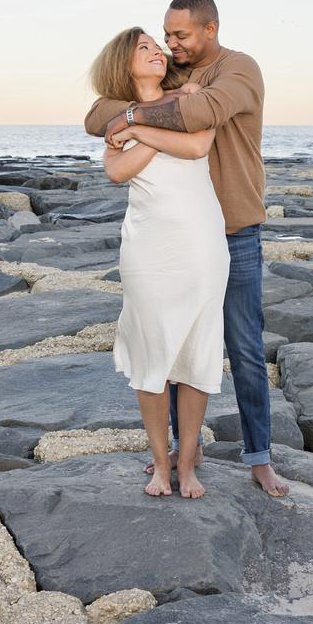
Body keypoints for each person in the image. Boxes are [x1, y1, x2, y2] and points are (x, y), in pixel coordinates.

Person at [86, 0, 290, 497]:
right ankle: (182, 452)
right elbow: (96, 115)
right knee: (177, 346)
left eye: (179, 35)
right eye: (164, 36)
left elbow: (201, 118)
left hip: (233, 229)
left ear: (209, 29)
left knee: (244, 347)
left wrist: (133, 119)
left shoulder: (238, 69)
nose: (170, 44)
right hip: (173, 237)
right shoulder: (175, 77)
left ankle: (260, 458)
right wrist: (137, 110)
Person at [93, 26, 226, 498]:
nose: (156, 51)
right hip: (148, 249)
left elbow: (198, 146)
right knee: (152, 355)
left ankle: (187, 464)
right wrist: (140, 129)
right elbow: (117, 169)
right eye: (143, 48)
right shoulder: (120, 114)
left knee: (196, 353)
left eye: (157, 45)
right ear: (123, 64)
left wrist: (136, 131)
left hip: (202, 244)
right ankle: (160, 464)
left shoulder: (190, 98)